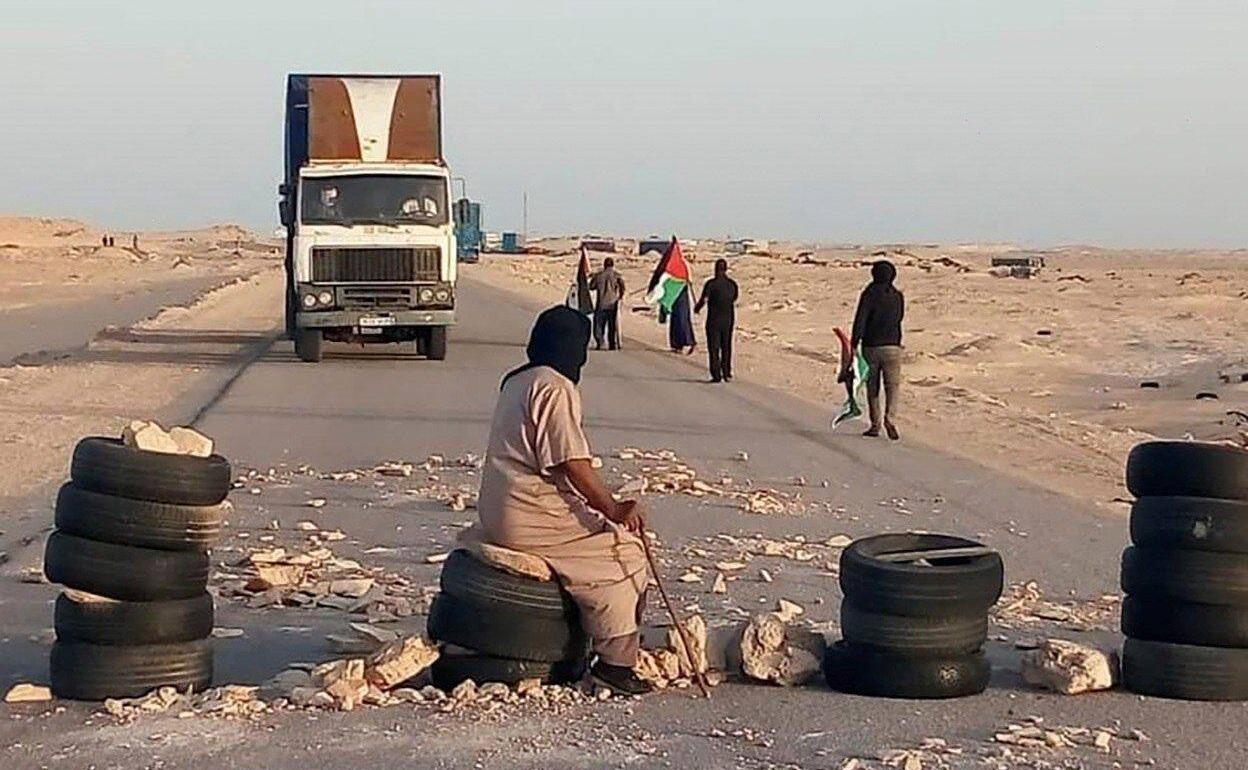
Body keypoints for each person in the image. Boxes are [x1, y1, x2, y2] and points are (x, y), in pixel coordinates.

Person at [476, 306, 654, 695]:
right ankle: (615, 663)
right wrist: (613, 508)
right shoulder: (554, 387)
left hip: (499, 506)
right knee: (622, 555)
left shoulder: (518, 379)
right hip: (529, 511)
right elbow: (571, 461)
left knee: (600, 533)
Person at [850, 260, 905, 440]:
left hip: (871, 347)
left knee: (873, 387)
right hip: (893, 347)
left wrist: (853, 343)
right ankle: (891, 418)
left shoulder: (869, 294)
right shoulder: (897, 296)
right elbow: (899, 318)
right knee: (892, 387)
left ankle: (875, 424)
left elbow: (861, 320)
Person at [694, 258, 738, 382]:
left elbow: (704, 299)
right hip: (728, 319)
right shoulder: (732, 284)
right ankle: (726, 372)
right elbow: (734, 298)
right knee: (726, 346)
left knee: (714, 348)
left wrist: (697, 308)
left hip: (713, 320)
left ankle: (716, 374)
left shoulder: (711, 284)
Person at [589, 257, 626, 350]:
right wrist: (620, 296)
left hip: (601, 303)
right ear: (613, 265)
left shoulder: (598, 275)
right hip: (612, 304)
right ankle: (612, 344)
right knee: (612, 325)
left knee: (599, 325)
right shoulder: (616, 275)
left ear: (604, 265)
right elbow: (622, 287)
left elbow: (591, 287)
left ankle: (600, 342)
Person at [664, 284, 696, 354]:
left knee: (681, 317)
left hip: (678, 287)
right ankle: (678, 344)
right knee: (677, 317)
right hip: (675, 288)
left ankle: (687, 342)